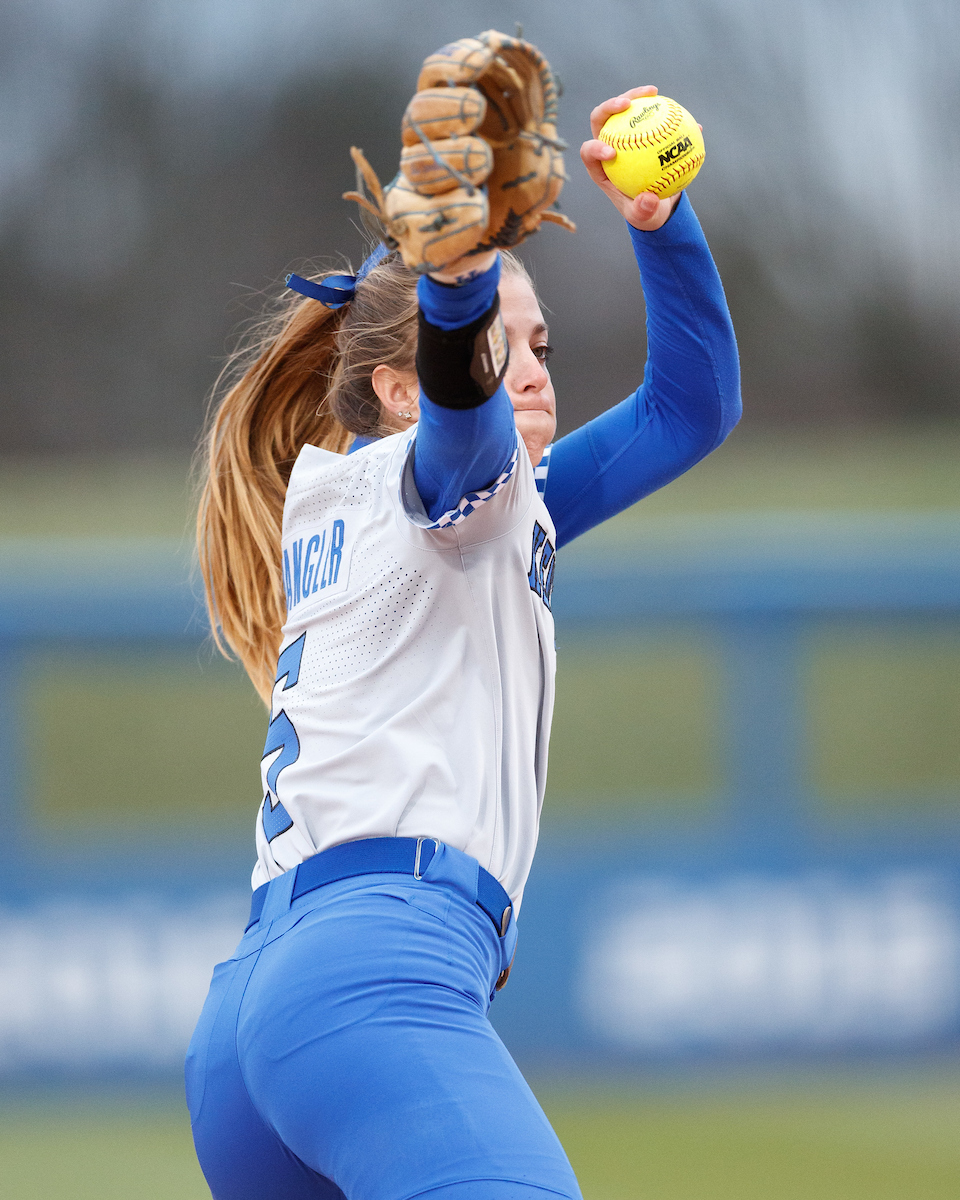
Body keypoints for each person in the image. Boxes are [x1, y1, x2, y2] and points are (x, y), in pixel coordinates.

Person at [186, 77, 740, 1200]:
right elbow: (466, 435)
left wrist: (660, 223)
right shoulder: (438, 480)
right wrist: (456, 285)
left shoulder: (403, 501)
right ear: (400, 388)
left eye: (541, 341)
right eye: (506, 343)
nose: (534, 366)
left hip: (255, 1008)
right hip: (376, 976)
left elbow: (691, 408)